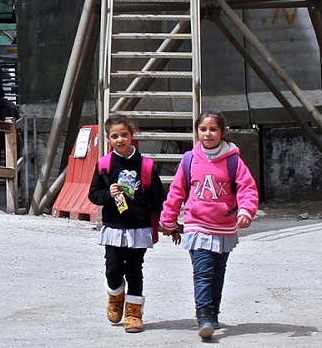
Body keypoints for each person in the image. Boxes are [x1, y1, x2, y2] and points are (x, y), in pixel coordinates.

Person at [160, 111, 259, 340]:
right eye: (203, 129)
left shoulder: (234, 160)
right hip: (197, 226)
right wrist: (169, 220)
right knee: (203, 272)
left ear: (222, 133)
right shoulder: (190, 159)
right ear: (197, 132)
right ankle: (203, 316)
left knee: (217, 273)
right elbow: (176, 191)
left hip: (224, 227)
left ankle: (213, 312)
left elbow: (247, 188)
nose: (208, 134)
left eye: (213, 129)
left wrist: (246, 211)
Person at [88, 113, 175, 333]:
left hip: (139, 228)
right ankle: (115, 295)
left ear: (132, 135)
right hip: (114, 228)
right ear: (108, 139)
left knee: (135, 271)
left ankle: (134, 314)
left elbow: (158, 199)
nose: (120, 140)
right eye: (114, 136)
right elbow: (93, 195)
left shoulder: (145, 166)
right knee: (113, 269)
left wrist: (169, 223)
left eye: (124, 135)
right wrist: (108, 194)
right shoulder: (104, 166)